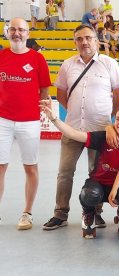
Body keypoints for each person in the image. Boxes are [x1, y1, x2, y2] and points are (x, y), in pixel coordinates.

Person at [43, 24, 119, 231]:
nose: (84, 42)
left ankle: (95, 212)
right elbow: (61, 95)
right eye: (79, 39)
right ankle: (60, 213)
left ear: (97, 40)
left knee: (96, 172)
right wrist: (75, 113)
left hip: (99, 130)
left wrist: (109, 120)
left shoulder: (109, 64)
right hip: (72, 129)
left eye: (88, 38)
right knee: (64, 172)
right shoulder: (67, 65)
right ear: (75, 42)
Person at [40, 101, 119, 238]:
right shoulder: (102, 138)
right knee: (89, 194)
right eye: (118, 119)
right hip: (98, 184)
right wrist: (53, 118)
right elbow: (74, 134)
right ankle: (89, 214)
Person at [0, 18, 51, 230]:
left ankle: (27, 213)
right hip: (2, 120)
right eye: (13, 29)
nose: (17, 33)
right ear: (7, 32)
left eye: (21, 30)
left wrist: (44, 109)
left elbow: (45, 91)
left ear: (28, 34)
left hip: (29, 121)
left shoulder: (38, 59)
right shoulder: (1, 56)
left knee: (30, 167)